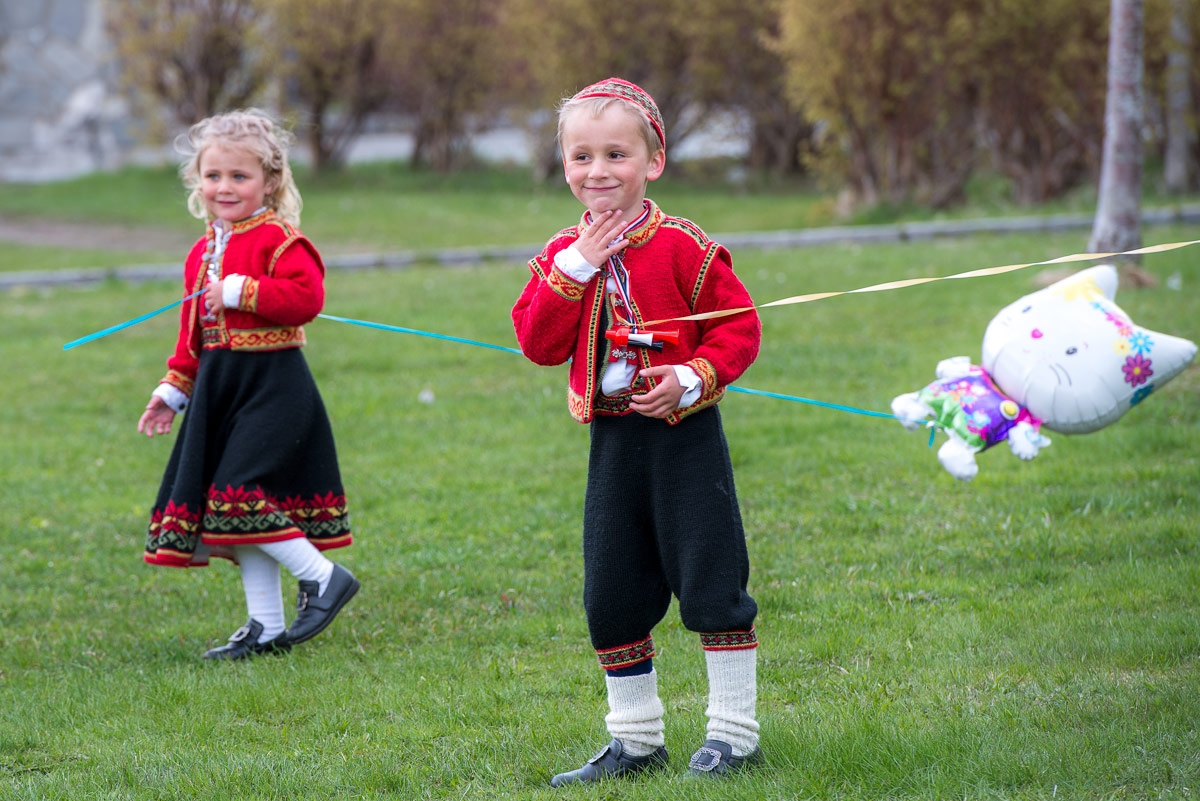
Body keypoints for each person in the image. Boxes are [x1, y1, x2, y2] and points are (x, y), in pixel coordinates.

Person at [511, 78, 763, 785]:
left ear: (653, 160)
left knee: (711, 578)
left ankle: (734, 736)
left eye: (616, 154)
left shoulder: (684, 245)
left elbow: (739, 328)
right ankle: (635, 740)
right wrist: (574, 269)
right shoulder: (564, 253)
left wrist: (692, 377)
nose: (598, 172)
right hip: (615, 443)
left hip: (686, 437)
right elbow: (535, 340)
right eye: (581, 157)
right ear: (564, 165)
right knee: (612, 588)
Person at [138, 109, 359, 660]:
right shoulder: (199, 253)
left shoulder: (279, 239)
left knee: (236, 495)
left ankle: (325, 577)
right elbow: (193, 336)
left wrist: (243, 292)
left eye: (239, 177)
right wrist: (173, 390)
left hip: (273, 386)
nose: (224, 187)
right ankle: (265, 627)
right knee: (238, 509)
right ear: (197, 181)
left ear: (269, 181)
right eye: (213, 176)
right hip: (220, 391)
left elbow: (307, 300)